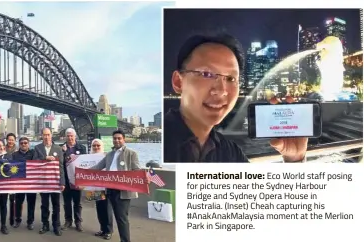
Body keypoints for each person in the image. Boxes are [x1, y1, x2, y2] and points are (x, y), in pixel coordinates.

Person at [165, 33, 307, 162]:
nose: (221, 91)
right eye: (207, 74)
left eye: (231, 79)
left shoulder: (230, 153)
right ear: (178, 82)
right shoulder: (162, 142)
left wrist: (295, 159)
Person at [89, 130, 140, 241]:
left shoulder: (131, 153)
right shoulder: (109, 154)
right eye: (114, 138)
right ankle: (105, 230)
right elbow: (98, 167)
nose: (116, 140)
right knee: (103, 210)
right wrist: (81, 172)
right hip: (109, 190)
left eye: (119, 138)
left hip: (123, 191)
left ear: (123, 139)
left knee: (121, 219)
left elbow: (136, 171)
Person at [32, 128, 65, 236]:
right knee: (44, 205)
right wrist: (45, 158)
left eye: (48, 135)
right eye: (44, 135)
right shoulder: (37, 148)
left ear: (51, 135)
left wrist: (62, 182)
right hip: (43, 182)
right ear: (42, 136)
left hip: (55, 182)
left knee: (56, 205)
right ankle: (45, 224)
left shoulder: (58, 149)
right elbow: (34, 162)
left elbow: (61, 166)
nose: (46, 137)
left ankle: (56, 226)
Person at [60, 128, 87, 232]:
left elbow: (85, 162)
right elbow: (60, 163)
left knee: (77, 202)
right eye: (68, 136)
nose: (70, 138)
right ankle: (68, 221)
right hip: (66, 179)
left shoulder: (82, 148)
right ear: (65, 137)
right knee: (66, 202)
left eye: (71, 136)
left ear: (75, 136)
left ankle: (78, 222)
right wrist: (63, 152)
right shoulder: (61, 148)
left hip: (77, 179)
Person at [87, 139, 112, 239]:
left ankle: (109, 231)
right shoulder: (88, 157)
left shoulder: (106, 157)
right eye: (94, 146)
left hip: (105, 187)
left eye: (98, 145)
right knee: (99, 208)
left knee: (107, 209)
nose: (96, 147)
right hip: (94, 187)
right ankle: (102, 229)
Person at [10, 136, 36, 230]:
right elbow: (10, 166)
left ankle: (30, 221)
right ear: (19, 144)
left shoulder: (33, 153)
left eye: (25, 143)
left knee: (31, 203)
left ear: (28, 144)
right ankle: (17, 220)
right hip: (19, 182)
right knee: (18, 202)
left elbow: (42, 159)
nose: (24, 144)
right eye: (21, 143)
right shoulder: (14, 155)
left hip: (31, 182)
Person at [4, 133, 18, 227]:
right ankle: (4, 219)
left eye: (12, 140)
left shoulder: (18, 150)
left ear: (15, 140)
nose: (11, 141)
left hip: (14, 177)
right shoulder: (2, 149)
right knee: (4, 199)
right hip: (4, 177)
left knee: (14, 200)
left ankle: (13, 218)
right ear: (6, 140)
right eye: (9, 139)